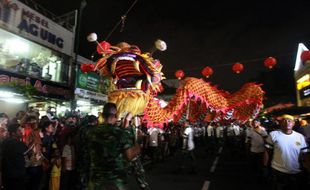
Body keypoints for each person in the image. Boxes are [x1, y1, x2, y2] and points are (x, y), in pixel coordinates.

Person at [86, 103, 140, 190]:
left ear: (102, 115)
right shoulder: (120, 133)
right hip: (115, 182)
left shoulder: (90, 132)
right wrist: (138, 146)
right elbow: (129, 156)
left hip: (96, 181)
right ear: (116, 115)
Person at [264, 114, 308, 190]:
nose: (287, 122)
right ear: (280, 123)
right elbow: (267, 152)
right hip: (278, 171)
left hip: (296, 172)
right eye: (284, 120)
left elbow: (305, 154)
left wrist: (307, 168)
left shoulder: (300, 136)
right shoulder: (273, 134)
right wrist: (265, 166)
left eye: (289, 121)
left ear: (293, 123)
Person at [1, 123, 28, 190]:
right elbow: (27, 153)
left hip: (7, 174)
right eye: (19, 130)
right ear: (13, 133)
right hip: (17, 175)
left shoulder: (4, 142)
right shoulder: (18, 143)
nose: (21, 132)